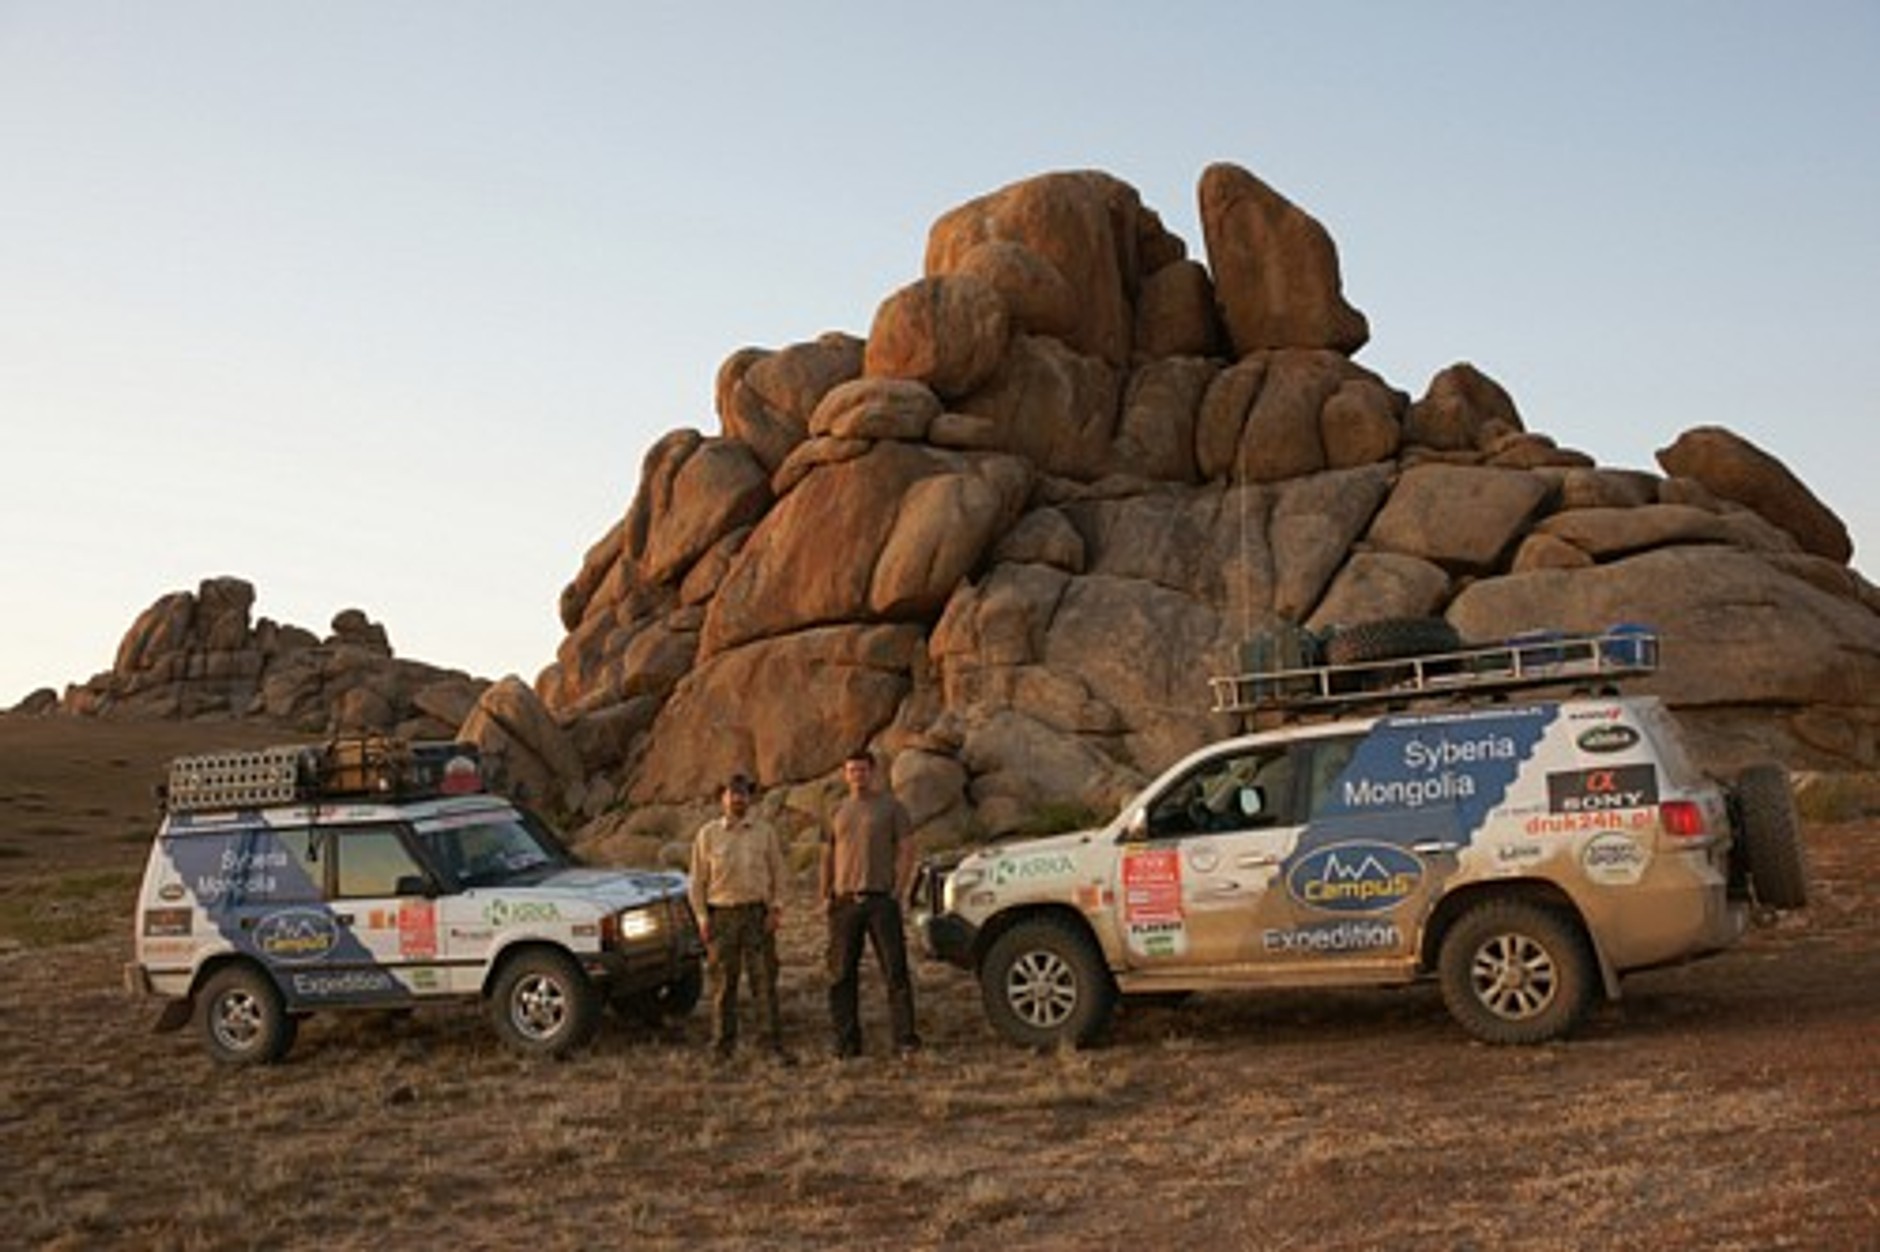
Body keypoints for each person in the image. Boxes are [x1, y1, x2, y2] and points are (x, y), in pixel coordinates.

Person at [820, 749, 920, 1059]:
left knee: (895, 972)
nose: (857, 776)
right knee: (840, 976)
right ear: (845, 774)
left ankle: (905, 1040)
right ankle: (847, 1044)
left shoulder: (891, 807)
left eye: (862, 770)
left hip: (880, 900)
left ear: (873, 771)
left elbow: (907, 848)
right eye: (852, 771)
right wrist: (825, 893)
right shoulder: (836, 810)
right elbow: (826, 854)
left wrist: (899, 889)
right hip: (845, 902)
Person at [688, 772, 791, 1063]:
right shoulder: (707, 835)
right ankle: (722, 1046)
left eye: (743, 794)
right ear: (722, 799)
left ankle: (771, 1046)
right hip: (722, 915)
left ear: (750, 798)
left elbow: (778, 873)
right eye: (732, 794)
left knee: (764, 981)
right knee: (723, 984)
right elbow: (697, 882)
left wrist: (776, 908)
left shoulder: (765, 832)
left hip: (757, 914)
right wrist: (702, 918)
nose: (738, 799)